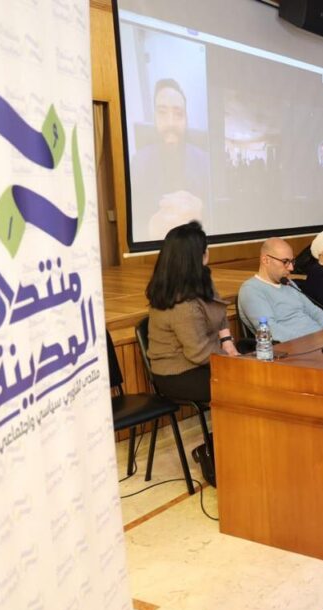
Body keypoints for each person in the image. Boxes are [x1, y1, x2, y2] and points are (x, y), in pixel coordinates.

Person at [145, 221, 238, 404]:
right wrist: (233, 361)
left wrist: (227, 342)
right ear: (200, 256)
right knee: (246, 383)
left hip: (204, 361)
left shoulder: (201, 279)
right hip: (177, 374)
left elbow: (218, 310)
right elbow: (199, 353)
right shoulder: (182, 305)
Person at [130, 78, 210, 241]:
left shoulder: (204, 162)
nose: (171, 123)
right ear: (154, 117)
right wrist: (151, 228)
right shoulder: (138, 163)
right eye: (162, 113)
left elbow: (219, 216)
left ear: (186, 119)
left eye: (178, 114)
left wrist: (201, 211)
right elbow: (132, 221)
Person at [237, 237, 323, 342]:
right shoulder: (251, 290)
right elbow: (271, 330)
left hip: (320, 340)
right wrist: (311, 340)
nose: (291, 268)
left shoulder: (288, 283)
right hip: (297, 346)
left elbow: (314, 311)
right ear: (266, 260)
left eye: (292, 261)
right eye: (285, 261)